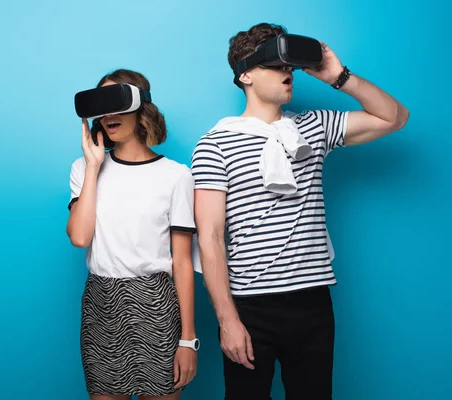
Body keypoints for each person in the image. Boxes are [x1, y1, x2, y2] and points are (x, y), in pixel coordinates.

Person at [191, 23, 409, 399]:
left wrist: (340, 77)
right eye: (277, 66)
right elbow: (210, 237)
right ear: (245, 74)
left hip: (312, 301)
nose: (288, 74)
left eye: (290, 67)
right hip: (250, 305)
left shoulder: (314, 127)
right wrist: (228, 321)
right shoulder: (214, 144)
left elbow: (394, 118)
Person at [67, 69, 199, 400]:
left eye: (116, 103)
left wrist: (188, 339)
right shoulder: (84, 169)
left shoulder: (176, 176)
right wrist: (94, 166)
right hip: (102, 302)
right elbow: (80, 237)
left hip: (156, 302)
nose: (107, 114)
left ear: (141, 107)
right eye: (101, 106)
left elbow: (182, 262)